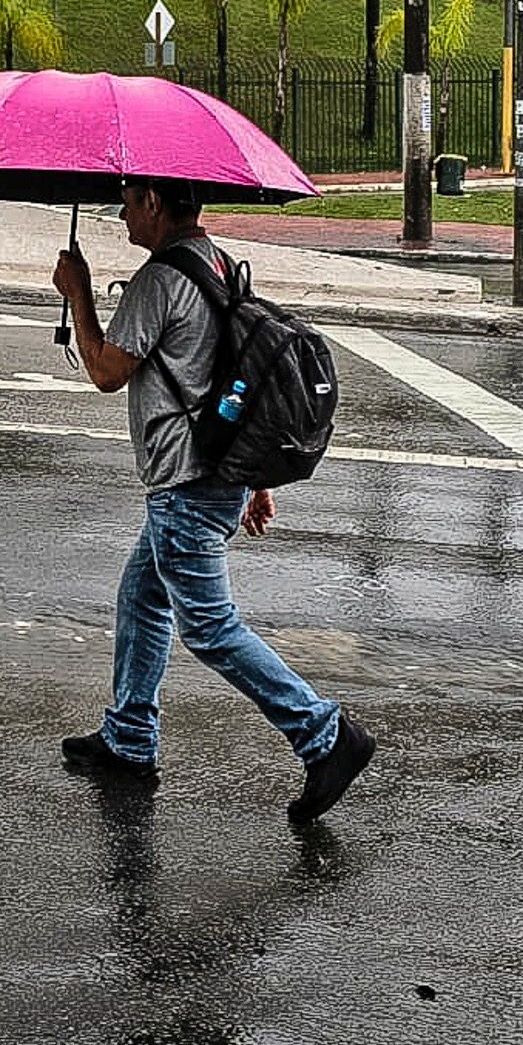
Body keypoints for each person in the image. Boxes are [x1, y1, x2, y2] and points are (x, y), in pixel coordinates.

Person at [50, 176, 375, 826]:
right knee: (142, 597)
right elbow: (238, 373)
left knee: (208, 626)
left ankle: (324, 734)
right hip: (215, 474)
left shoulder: (159, 280)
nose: (121, 214)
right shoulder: (219, 264)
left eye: (128, 202)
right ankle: (129, 737)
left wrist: (77, 293)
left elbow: (107, 371)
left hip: (186, 484)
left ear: (153, 202)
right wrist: (254, 479)